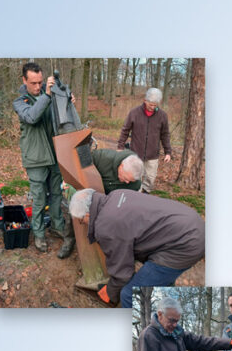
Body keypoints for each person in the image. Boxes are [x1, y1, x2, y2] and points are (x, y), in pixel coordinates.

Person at [68, 187, 204, 307]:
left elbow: (122, 271)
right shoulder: (116, 194)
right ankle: (164, 297)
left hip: (184, 245)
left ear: (87, 215)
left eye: (81, 220)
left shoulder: (106, 227)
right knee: (160, 279)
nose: (83, 223)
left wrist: (110, 292)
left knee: (128, 295)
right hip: (191, 221)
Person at [12, 62, 66, 253]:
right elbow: (32, 117)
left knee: (57, 194)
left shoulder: (49, 93)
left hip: (55, 155)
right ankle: (40, 234)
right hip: (35, 159)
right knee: (39, 198)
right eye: (33, 83)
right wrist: (47, 95)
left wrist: (66, 100)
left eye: (40, 82)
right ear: (24, 80)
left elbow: (61, 117)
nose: (37, 86)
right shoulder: (20, 102)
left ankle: (58, 227)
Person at [55, 148, 143, 259]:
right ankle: (69, 241)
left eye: (130, 181)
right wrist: (68, 179)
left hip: (109, 200)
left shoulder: (135, 184)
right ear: (121, 166)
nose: (127, 183)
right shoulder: (101, 157)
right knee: (74, 212)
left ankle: (104, 248)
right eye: (126, 178)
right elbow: (77, 164)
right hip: (88, 191)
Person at [117, 87, 172, 193]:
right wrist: (120, 147)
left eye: (155, 105)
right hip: (136, 153)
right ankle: (135, 195)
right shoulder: (134, 113)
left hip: (153, 154)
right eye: (151, 104)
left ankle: (145, 194)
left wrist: (168, 152)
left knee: (150, 179)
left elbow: (165, 135)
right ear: (145, 101)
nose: (152, 107)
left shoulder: (162, 116)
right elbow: (125, 130)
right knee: (135, 178)